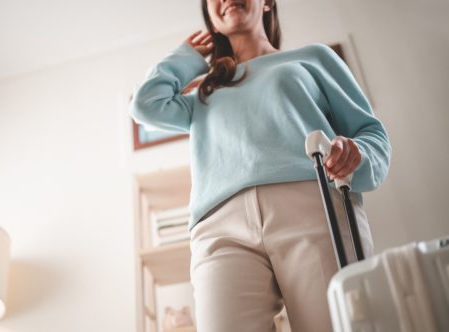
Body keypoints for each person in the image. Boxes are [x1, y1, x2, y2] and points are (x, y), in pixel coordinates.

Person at [129, 0, 391, 331]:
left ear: (267, 3)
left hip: (313, 205)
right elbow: (145, 104)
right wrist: (188, 57)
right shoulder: (205, 93)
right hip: (219, 229)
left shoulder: (313, 58)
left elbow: (371, 134)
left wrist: (357, 155)